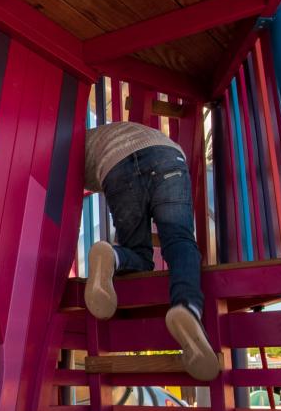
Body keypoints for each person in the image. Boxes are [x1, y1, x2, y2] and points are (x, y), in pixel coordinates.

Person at [82, 121, 218, 381]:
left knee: (139, 256)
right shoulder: (112, 129)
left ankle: (112, 255)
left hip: (115, 165)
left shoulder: (67, 146)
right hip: (167, 154)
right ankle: (187, 306)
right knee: (180, 241)